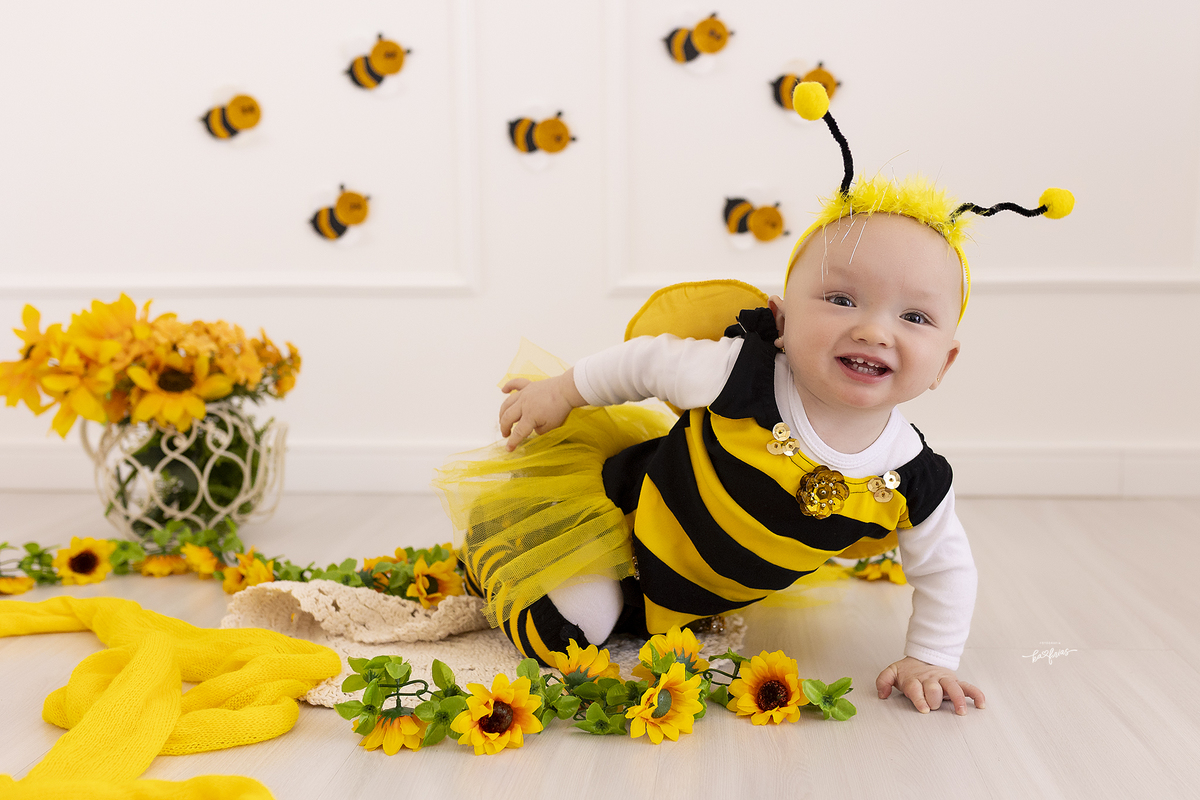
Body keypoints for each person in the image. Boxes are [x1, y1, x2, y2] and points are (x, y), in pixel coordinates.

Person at [432, 82, 1072, 716]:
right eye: (842, 299)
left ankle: (638, 610)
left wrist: (932, 656)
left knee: (633, 628)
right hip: (622, 525)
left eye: (916, 317)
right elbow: (648, 360)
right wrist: (562, 391)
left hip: (700, 589)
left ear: (945, 363)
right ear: (782, 318)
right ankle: (501, 555)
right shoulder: (743, 373)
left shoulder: (914, 478)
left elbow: (946, 570)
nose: (874, 330)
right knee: (569, 637)